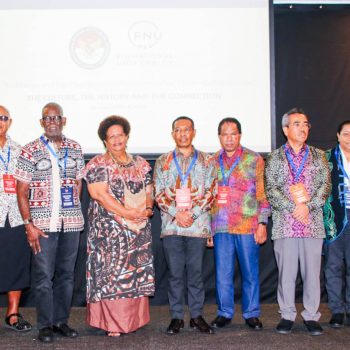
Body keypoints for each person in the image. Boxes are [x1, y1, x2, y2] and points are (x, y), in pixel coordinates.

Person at [15, 102, 85, 343]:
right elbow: (21, 191)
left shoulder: (75, 148)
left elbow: (78, 183)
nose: (52, 121)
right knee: (44, 276)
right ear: (42, 122)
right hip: (42, 226)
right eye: (48, 118)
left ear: (63, 121)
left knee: (66, 275)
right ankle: (45, 325)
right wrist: (28, 224)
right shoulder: (29, 150)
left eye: (57, 117)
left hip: (71, 223)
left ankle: (60, 322)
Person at [85, 115, 154, 337]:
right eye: (111, 136)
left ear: (127, 136)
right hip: (109, 233)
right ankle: (113, 323)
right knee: (112, 276)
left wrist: (146, 209)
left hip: (137, 228)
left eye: (120, 135)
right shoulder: (97, 164)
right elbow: (99, 194)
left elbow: (150, 190)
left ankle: (134, 320)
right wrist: (127, 213)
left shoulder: (141, 163)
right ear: (105, 141)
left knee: (135, 274)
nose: (116, 140)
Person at [265, 107, 330, 336]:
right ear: (285, 129)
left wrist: (307, 206)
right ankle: (287, 315)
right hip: (285, 223)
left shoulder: (319, 155)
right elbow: (271, 190)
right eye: (297, 124)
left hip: (312, 223)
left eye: (305, 124)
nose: (303, 128)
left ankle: (312, 316)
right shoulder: (274, 157)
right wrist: (294, 207)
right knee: (286, 273)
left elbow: (325, 187)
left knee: (313, 273)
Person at [154, 116, 215, 335]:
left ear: (193, 132)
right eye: (178, 130)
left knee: (196, 274)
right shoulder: (163, 161)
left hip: (197, 227)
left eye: (186, 129)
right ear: (173, 134)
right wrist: (176, 214)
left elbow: (211, 192)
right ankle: (177, 317)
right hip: (172, 227)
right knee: (175, 274)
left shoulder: (207, 161)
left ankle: (197, 316)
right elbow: (158, 193)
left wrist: (193, 213)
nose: (182, 133)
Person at [210, 117, 270, 330]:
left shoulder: (254, 159)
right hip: (220, 226)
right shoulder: (211, 161)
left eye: (233, 133)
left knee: (250, 272)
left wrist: (262, 223)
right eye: (225, 134)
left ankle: (251, 313)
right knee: (223, 274)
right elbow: (207, 197)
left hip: (247, 225)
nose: (229, 138)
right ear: (219, 137)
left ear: (240, 135)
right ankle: (224, 313)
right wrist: (208, 228)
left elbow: (263, 194)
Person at [0, 105, 32, 332]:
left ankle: (12, 314)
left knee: (16, 265)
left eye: (4, 118)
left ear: (9, 122)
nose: (0, 121)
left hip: (15, 216)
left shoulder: (19, 150)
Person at [323, 120, 350, 328]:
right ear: (338, 136)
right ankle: (337, 310)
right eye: (346, 134)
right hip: (335, 218)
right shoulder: (326, 158)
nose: (349, 138)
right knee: (333, 266)